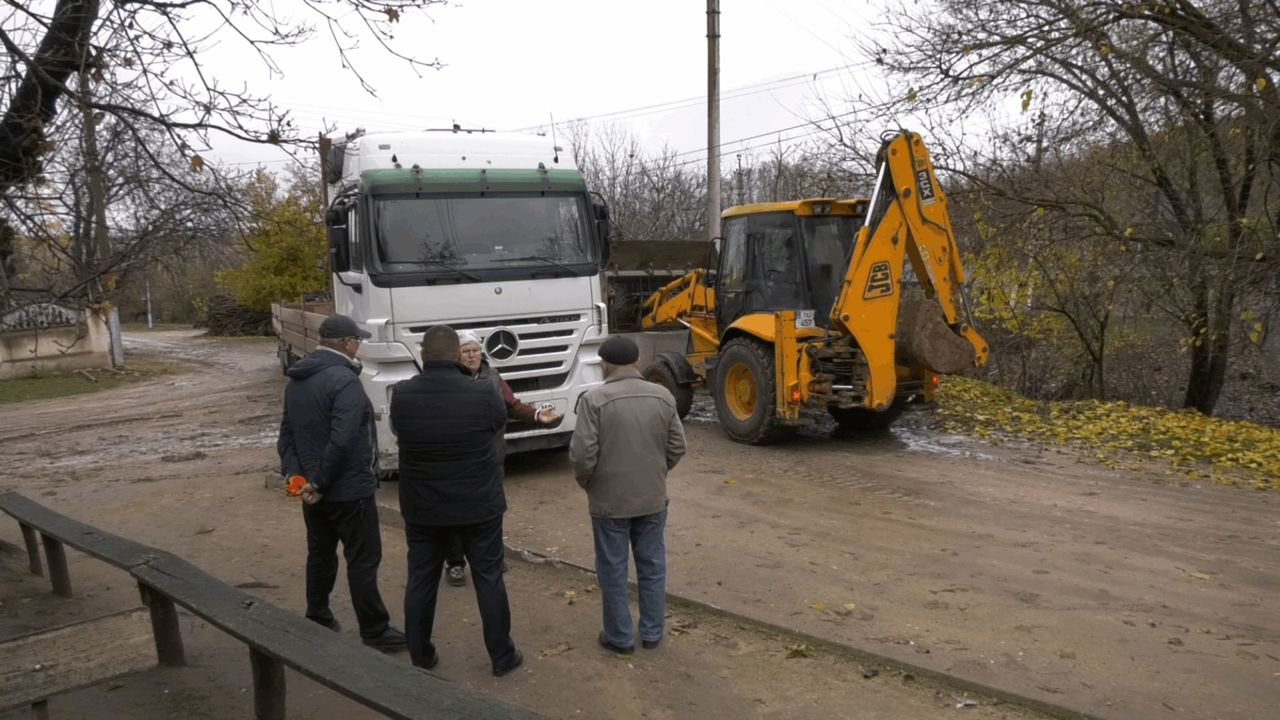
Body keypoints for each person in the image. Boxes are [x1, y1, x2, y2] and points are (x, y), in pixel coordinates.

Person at [390, 325, 523, 676]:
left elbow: (398, 430)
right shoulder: (481, 393)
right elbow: (497, 423)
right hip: (479, 505)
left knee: (421, 579)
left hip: (423, 508)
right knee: (489, 578)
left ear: (423, 355)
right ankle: (501, 656)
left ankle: (420, 655)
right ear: (455, 355)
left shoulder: (402, 395)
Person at [277, 313, 406, 653]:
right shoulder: (345, 381)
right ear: (347, 344)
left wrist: (299, 483)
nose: (359, 347)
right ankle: (375, 631)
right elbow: (343, 439)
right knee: (363, 559)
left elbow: (287, 436)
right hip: (348, 490)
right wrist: (319, 482)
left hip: (312, 493)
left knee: (320, 555)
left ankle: (317, 615)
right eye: (357, 341)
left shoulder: (298, 380)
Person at [570, 335, 686, 654]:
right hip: (652, 499)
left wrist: (590, 483)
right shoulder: (662, 396)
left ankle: (619, 637)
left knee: (612, 570)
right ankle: (652, 633)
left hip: (609, 502)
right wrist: (655, 474)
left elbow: (582, 457)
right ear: (637, 362)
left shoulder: (594, 401)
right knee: (652, 565)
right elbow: (678, 446)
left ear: (605, 365)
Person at [443, 330, 561, 588]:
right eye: (466, 351)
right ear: (456, 354)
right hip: (459, 461)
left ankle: (491, 557)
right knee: (456, 512)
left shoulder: (493, 377)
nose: (472, 355)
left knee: (492, 509)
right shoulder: (449, 380)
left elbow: (512, 405)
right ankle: (455, 563)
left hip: (490, 457)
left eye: (475, 350)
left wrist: (537, 415)